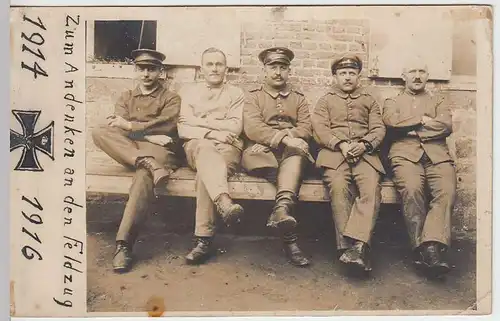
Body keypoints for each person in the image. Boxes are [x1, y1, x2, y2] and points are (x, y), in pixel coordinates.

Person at [92, 49, 181, 273]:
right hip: (133, 151)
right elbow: (116, 126)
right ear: (136, 71)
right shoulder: (126, 97)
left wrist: (132, 127)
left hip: (159, 150)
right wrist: (144, 133)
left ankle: (123, 244)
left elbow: (167, 126)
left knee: (143, 176)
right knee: (99, 131)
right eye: (141, 69)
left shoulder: (171, 98)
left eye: (151, 69)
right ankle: (145, 161)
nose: (146, 74)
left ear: (160, 72)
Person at [311, 54, 386, 275]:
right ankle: (346, 248)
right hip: (335, 155)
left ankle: (359, 246)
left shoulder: (369, 100)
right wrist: (341, 144)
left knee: (371, 187)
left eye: (351, 73)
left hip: (365, 155)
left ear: (358, 76)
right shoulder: (325, 101)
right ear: (335, 76)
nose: (347, 77)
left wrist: (365, 145)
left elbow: (378, 129)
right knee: (338, 186)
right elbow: (320, 129)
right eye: (342, 73)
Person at [383, 61, 456, 278]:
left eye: (421, 71)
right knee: (412, 190)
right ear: (403, 75)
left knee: (446, 191)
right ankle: (422, 249)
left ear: (427, 75)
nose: (417, 76)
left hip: (437, 156)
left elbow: (446, 126)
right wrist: (422, 121)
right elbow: (391, 122)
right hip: (405, 156)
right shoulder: (392, 101)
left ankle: (430, 245)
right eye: (412, 72)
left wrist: (412, 130)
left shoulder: (438, 100)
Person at [241, 47, 312, 267]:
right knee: (287, 176)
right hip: (261, 154)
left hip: (291, 152)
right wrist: (279, 140)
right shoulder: (254, 97)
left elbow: (307, 128)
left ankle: (282, 217)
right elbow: (253, 128)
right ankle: (286, 227)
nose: (278, 72)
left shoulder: (298, 99)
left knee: (295, 160)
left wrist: (285, 139)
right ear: (264, 70)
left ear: (289, 70)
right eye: (273, 67)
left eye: (283, 67)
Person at [177, 47, 245, 265]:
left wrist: (200, 120)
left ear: (226, 68)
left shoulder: (236, 93)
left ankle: (203, 240)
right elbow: (182, 128)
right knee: (205, 151)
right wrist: (214, 131)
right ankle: (223, 201)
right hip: (197, 145)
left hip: (228, 147)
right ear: (201, 68)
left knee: (206, 173)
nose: (214, 68)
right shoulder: (188, 92)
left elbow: (235, 128)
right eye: (210, 64)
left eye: (219, 64)